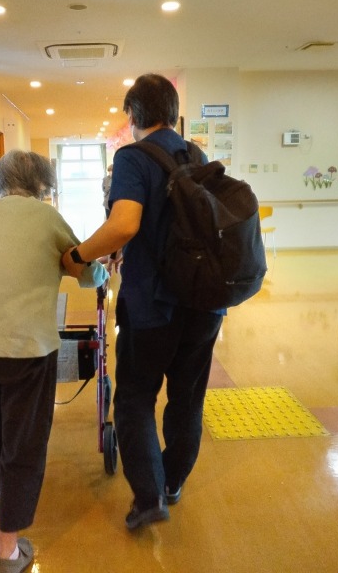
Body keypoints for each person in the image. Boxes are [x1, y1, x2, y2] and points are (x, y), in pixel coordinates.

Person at [62, 74, 223, 530]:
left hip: (154, 306)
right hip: (205, 302)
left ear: (133, 114)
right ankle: (171, 482)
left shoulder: (132, 156)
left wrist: (77, 255)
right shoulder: (196, 155)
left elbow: (125, 223)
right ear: (173, 113)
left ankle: (149, 497)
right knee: (187, 399)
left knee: (135, 397)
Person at [0, 149, 107, 573]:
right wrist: (103, 272)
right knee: (25, 440)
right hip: (25, 347)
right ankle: (7, 551)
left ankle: (2, 491)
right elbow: (85, 270)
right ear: (43, 185)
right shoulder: (47, 217)